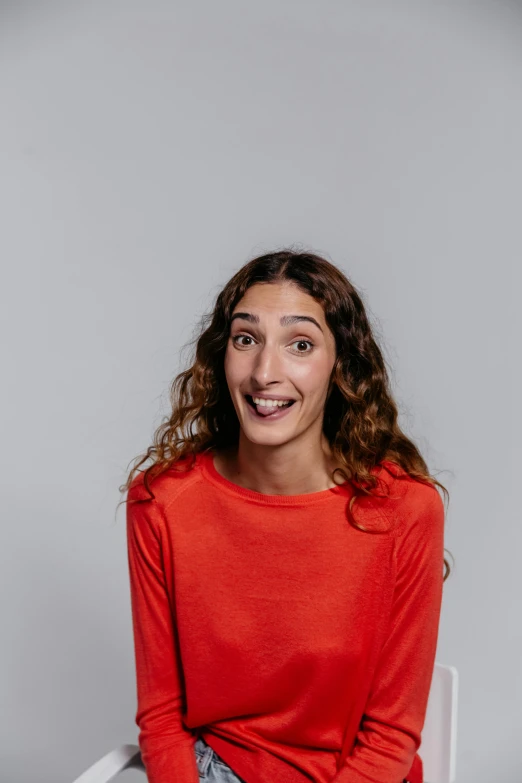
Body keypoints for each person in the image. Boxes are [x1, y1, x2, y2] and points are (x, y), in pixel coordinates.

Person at [120, 248, 452, 783]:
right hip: (218, 769)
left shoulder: (404, 509)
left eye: (300, 344)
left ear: (339, 364)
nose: (264, 372)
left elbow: (390, 736)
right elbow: (162, 718)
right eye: (246, 339)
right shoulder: (162, 503)